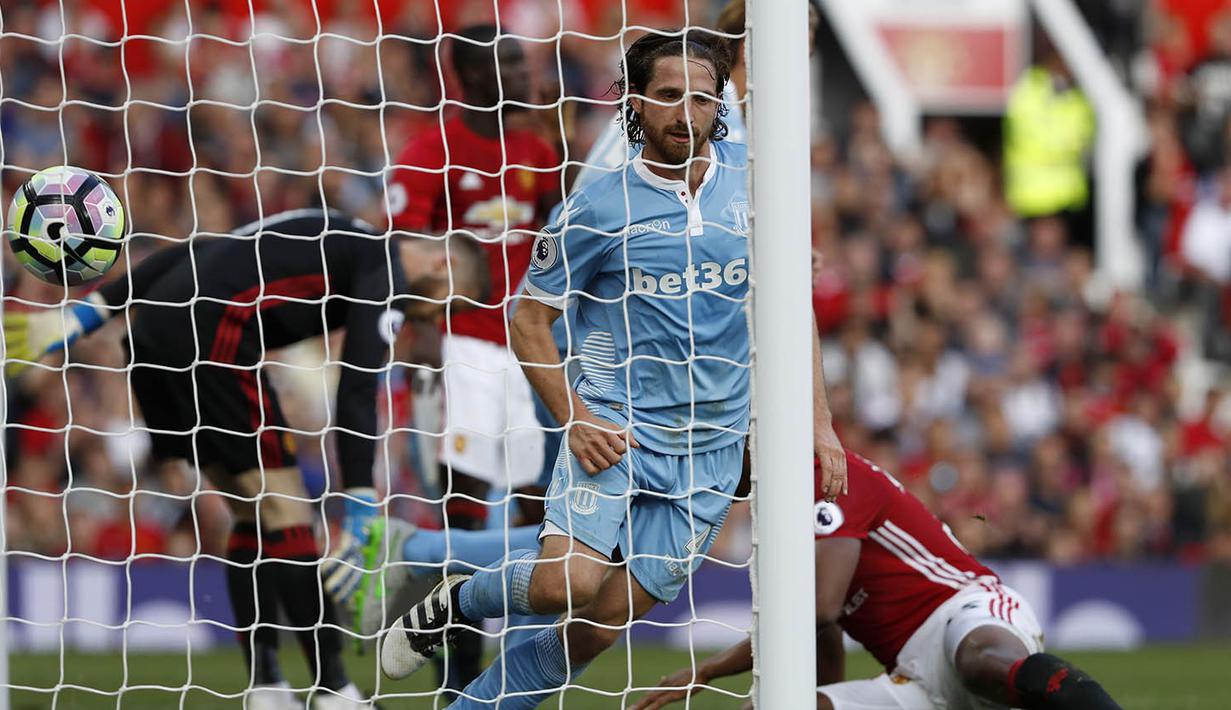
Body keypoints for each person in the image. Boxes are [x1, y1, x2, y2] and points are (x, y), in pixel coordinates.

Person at [378, 28, 847, 709]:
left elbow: (787, 308)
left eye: (700, 97)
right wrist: (574, 419)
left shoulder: (756, 189)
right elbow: (528, 319)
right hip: (616, 427)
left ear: (721, 103)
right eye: (665, 97)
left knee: (593, 635)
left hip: (709, 451)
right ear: (634, 101)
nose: (684, 113)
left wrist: (820, 423)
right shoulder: (597, 205)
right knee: (561, 585)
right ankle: (451, 600)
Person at [4, 208, 489, 710]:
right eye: (448, 305)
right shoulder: (383, 269)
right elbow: (359, 385)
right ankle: (334, 689)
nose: (433, 318)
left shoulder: (325, 225)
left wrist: (91, 311)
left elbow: (199, 249)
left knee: (250, 513)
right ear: (441, 265)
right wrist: (362, 495)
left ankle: (267, 686)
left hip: (151, 334)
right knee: (288, 512)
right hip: (217, 333)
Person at [632, 452, 1122, 710]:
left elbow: (821, 608)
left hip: (963, 608)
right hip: (914, 680)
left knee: (979, 662)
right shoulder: (775, 519)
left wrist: (711, 670)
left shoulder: (827, 473)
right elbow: (823, 636)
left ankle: (1066, 696)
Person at [381, 22, 562, 692]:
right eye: (510, 63)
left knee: (538, 513)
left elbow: (567, 229)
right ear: (475, 75)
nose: (523, 73)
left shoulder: (538, 151)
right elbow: (402, 252)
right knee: (464, 509)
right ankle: (456, 680)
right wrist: (423, 342)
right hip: (462, 349)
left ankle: (517, 675)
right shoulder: (430, 152)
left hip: (530, 351)